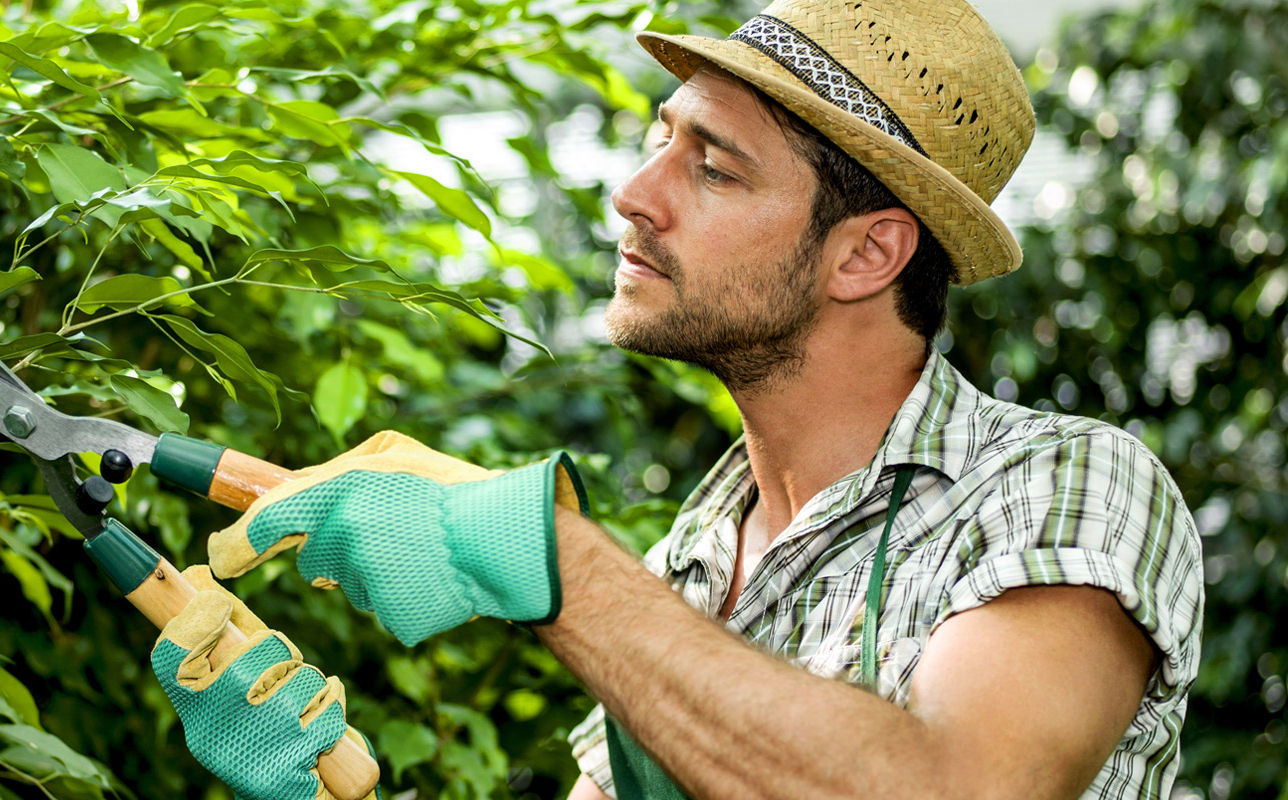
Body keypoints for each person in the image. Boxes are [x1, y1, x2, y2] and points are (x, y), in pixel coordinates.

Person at [146, 0, 1204, 798]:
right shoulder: (691, 559)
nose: (632, 192)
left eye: (712, 168)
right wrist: (332, 782)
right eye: (662, 138)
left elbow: (953, 782)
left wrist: (559, 560)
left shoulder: (1062, 485)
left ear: (867, 252)